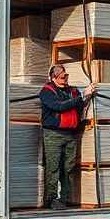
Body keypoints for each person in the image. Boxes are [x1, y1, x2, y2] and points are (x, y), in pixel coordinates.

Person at [40, 64, 96, 210]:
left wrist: (87, 96)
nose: (65, 79)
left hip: (70, 134)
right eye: (62, 76)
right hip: (53, 134)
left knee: (68, 168)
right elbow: (59, 106)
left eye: (66, 76)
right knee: (53, 168)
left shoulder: (73, 91)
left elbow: (80, 105)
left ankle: (64, 199)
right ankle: (51, 200)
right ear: (53, 77)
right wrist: (81, 97)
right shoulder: (47, 92)